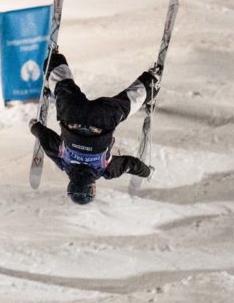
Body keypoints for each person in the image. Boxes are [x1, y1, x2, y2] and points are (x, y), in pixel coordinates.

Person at [29, 50, 160, 205]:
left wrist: (148, 172)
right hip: (73, 116)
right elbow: (46, 138)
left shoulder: (105, 169)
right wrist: (34, 126)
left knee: (129, 103)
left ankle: (152, 81)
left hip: (102, 119)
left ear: (92, 188)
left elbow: (131, 164)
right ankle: (53, 62)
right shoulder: (63, 161)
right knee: (62, 86)